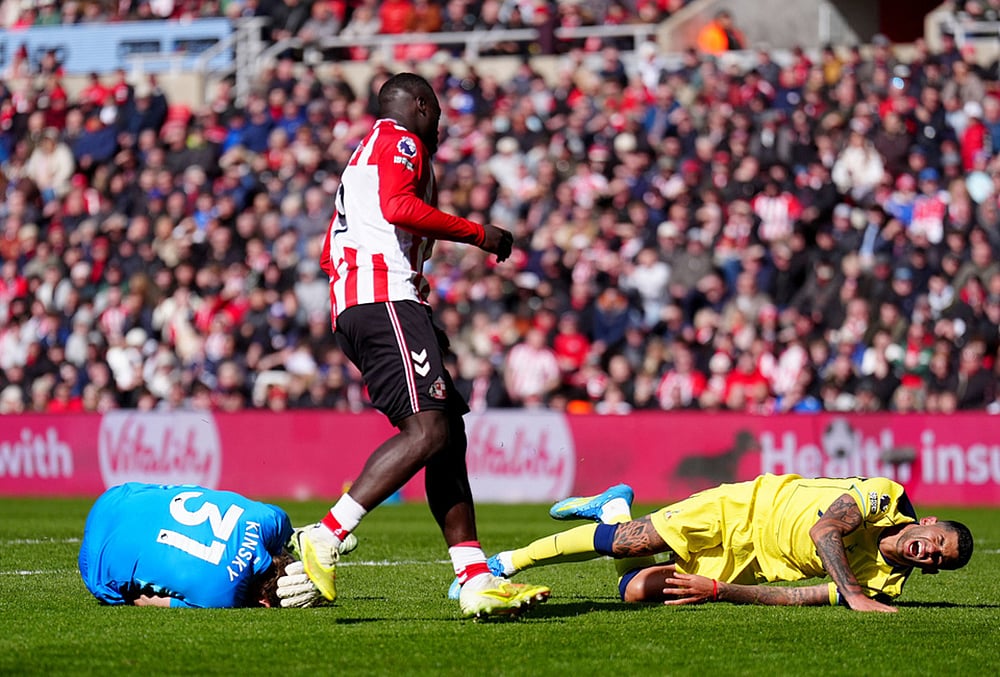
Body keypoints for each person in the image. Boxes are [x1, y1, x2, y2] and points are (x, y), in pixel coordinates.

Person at [298, 72, 549, 619]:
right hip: (385, 302)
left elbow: (330, 250)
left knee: (447, 436)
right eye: (434, 111)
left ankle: (475, 576)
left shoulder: (360, 155)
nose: (438, 123)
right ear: (418, 105)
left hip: (369, 303)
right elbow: (398, 207)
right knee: (429, 430)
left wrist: (405, 274)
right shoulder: (401, 139)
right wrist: (481, 234)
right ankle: (326, 535)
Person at [480, 474, 973, 612]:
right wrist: (855, 595)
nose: (929, 551)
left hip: (755, 564)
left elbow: (795, 596)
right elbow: (825, 532)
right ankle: (501, 565)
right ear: (926, 521)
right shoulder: (884, 497)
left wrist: (717, 590)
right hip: (744, 508)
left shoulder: (887, 585)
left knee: (631, 590)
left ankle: (612, 505)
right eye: (936, 540)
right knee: (627, 545)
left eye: (937, 560)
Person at [78, 482, 355, 608]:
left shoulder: (270, 519)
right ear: (264, 602)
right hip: (95, 564)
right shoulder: (220, 598)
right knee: (129, 594)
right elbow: (147, 600)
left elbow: (284, 535)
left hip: (119, 495)